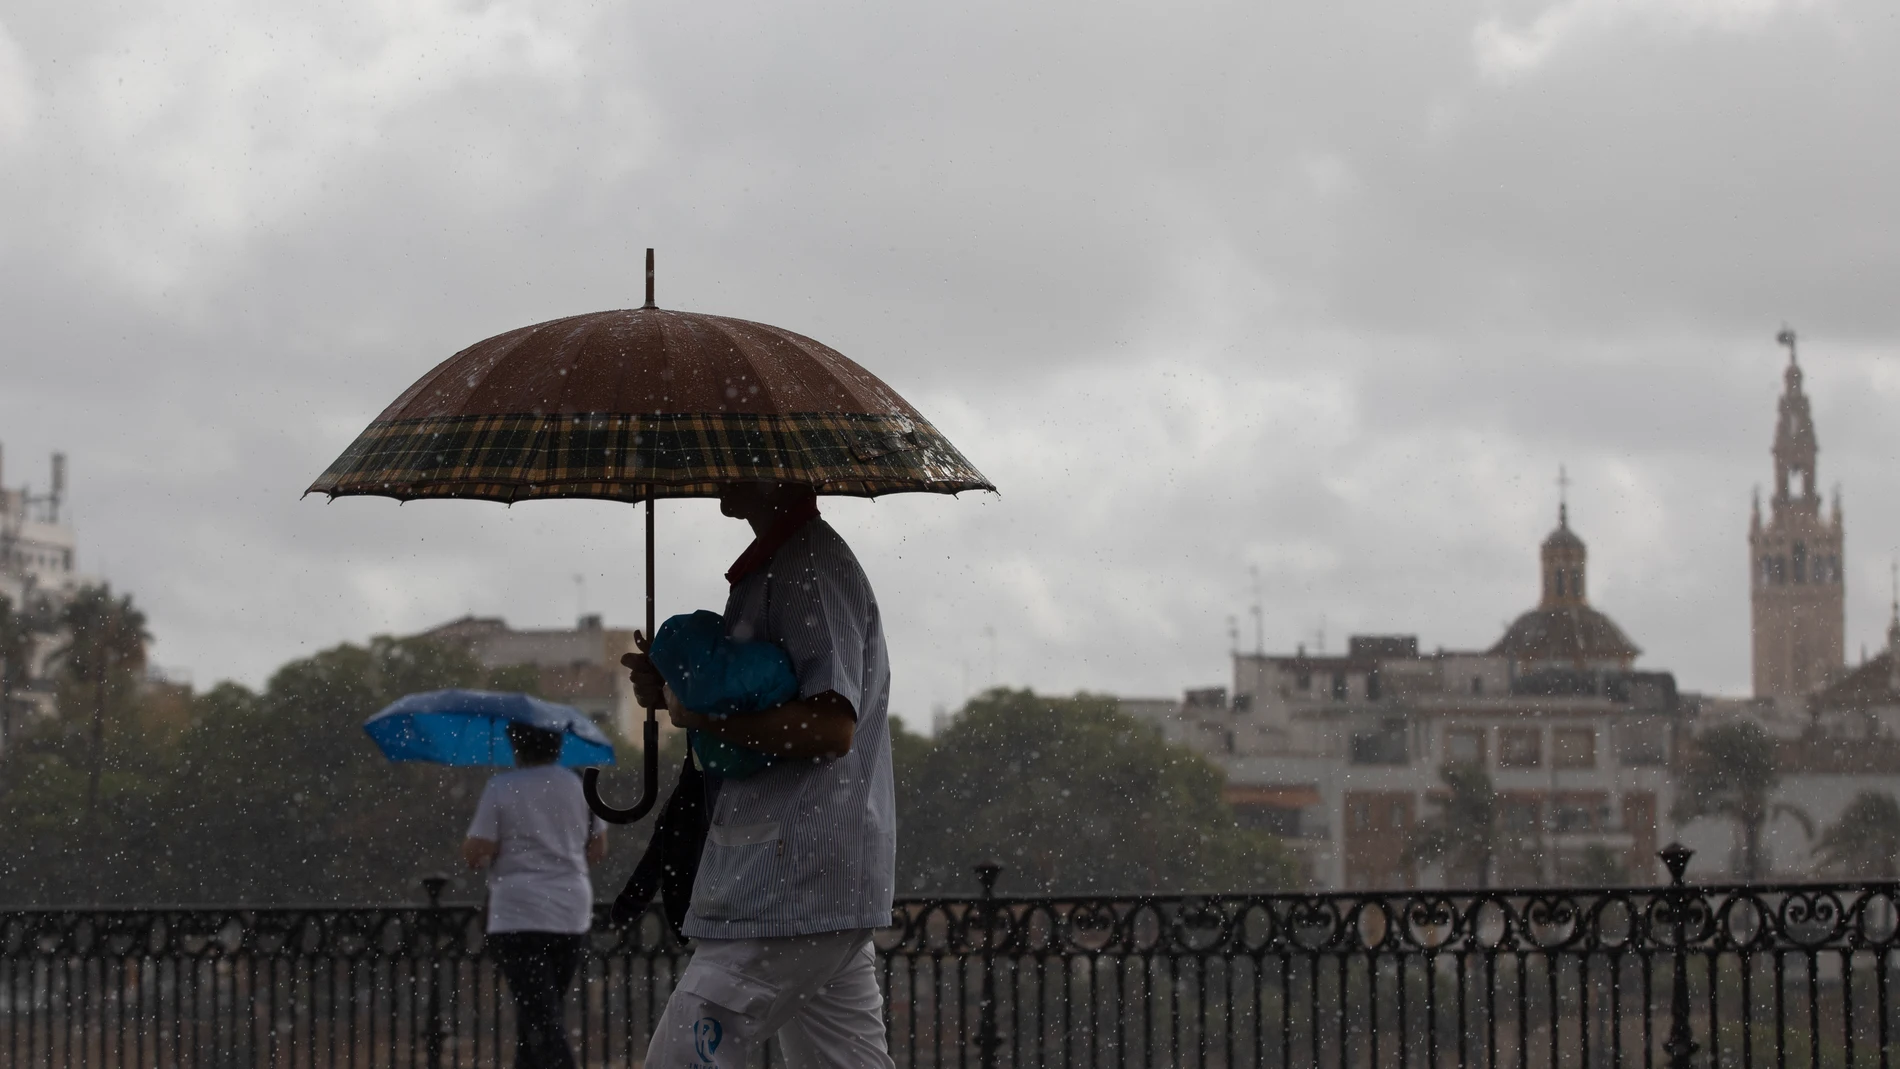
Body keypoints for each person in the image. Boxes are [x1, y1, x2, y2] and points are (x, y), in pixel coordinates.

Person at [626, 481, 896, 1069]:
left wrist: (695, 711)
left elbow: (829, 730)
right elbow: (760, 704)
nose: (718, 470)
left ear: (777, 468)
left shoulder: (808, 569)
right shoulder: (782, 564)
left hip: (789, 883)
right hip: (807, 880)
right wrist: (673, 688)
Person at [463, 721, 609, 1069]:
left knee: (541, 1019)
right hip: (571, 910)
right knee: (542, 1014)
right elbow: (599, 848)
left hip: (519, 912)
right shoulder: (577, 784)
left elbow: (475, 851)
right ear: (558, 746)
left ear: (515, 746)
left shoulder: (501, 786)